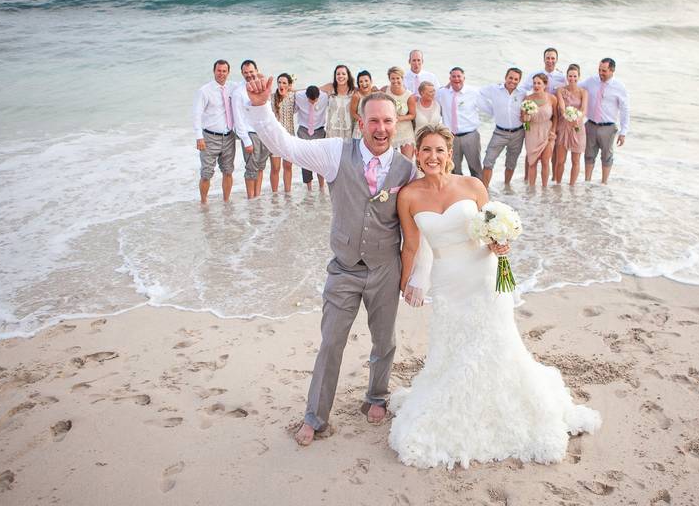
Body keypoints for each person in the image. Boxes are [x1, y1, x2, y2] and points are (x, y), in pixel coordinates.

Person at [388, 124, 602, 469]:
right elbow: (410, 245)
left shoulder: (472, 186)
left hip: (484, 276)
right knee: (452, 348)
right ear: (417, 152)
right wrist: (404, 284)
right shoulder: (409, 195)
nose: (432, 157)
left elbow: (489, 229)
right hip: (447, 283)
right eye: (425, 150)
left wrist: (500, 243)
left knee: (497, 343)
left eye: (439, 150)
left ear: (450, 153)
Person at [243, 80, 415, 447]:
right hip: (344, 268)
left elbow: (431, 213)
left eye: (387, 121)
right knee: (330, 342)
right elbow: (287, 146)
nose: (381, 129)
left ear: (397, 121)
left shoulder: (408, 170)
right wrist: (260, 108)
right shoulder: (336, 152)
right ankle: (315, 416)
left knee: (385, 340)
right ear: (361, 122)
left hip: (386, 269)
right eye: (373, 121)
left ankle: (377, 395)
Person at [579, 58, 629, 184]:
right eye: (599, 70)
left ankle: (604, 183)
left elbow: (625, 109)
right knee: (589, 155)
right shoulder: (591, 81)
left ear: (612, 71)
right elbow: (574, 87)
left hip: (608, 127)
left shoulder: (619, 87)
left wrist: (623, 132)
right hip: (590, 124)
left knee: (606, 156)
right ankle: (587, 182)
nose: (601, 73)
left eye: (604, 71)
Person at [192, 59, 235, 204]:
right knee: (206, 174)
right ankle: (203, 203)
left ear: (228, 72)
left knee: (228, 171)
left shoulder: (233, 87)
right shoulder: (204, 91)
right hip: (209, 137)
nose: (221, 74)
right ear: (214, 71)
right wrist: (199, 137)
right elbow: (197, 114)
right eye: (219, 70)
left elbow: (250, 84)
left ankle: (226, 201)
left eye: (224, 71)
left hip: (229, 137)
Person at [477, 67, 526, 189]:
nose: (512, 81)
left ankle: (506, 187)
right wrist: (490, 110)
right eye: (510, 78)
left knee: (511, 164)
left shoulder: (522, 93)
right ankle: (484, 190)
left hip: (518, 133)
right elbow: (478, 93)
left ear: (519, 81)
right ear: (506, 77)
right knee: (488, 161)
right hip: (499, 132)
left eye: (516, 79)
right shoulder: (495, 89)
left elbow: (537, 97)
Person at [233, 60, 272, 199]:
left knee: (261, 166)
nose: (249, 75)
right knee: (251, 168)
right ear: (242, 73)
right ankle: (251, 198)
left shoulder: (263, 87)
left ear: (256, 70)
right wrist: (246, 140)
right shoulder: (239, 92)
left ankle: (257, 196)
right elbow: (238, 118)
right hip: (250, 134)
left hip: (264, 132)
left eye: (251, 71)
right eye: (245, 72)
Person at [435, 67, 482, 178]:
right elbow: (430, 100)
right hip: (450, 137)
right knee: (454, 169)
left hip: (470, 136)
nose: (456, 79)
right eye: (453, 76)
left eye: (459, 76)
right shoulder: (442, 93)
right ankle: (459, 194)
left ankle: (480, 193)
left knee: (475, 168)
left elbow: (487, 107)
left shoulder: (473, 92)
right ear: (449, 79)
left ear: (464, 78)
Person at [553, 64, 588, 186]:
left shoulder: (583, 92)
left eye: (575, 76)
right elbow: (562, 107)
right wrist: (568, 115)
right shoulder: (560, 90)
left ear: (579, 77)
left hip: (578, 127)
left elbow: (584, 110)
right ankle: (557, 184)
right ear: (567, 76)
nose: (572, 78)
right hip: (564, 126)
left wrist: (576, 118)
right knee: (560, 160)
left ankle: (572, 186)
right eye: (570, 76)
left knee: (576, 160)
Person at [522, 73, 558, 188]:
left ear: (545, 85)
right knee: (532, 163)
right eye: (534, 83)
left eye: (539, 83)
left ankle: (544, 190)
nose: (536, 86)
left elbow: (556, 117)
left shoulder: (552, 98)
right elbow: (524, 121)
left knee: (545, 162)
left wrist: (553, 131)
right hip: (531, 132)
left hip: (547, 132)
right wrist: (526, 120)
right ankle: (531, 190)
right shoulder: (528, 99)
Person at [294, 85, 329, 191]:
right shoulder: (299, 96)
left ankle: (321, 187)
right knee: (305, 160)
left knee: (320, 160)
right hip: (304, 130)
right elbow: (293, 92)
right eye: (310, 100)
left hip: (319, 130)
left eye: (315, 100)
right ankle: (309, 188)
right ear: (306, 96)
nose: (313, 102)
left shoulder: (325, 96)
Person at [270, 72, 298, 193]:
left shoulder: (293, 97)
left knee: (288, 166)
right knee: (275, 168)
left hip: (289, 136)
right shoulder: (272, 97)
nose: (281, 85)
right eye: (279, 82)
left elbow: (306, 92)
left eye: (284, 83)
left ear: (289, 85)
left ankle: (288, 193)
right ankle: (275, 194)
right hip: (275, 137)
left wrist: (292, 90)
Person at [383, 66, 417, 159]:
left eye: (398, 78)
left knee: (407, 162)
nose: (395, 81)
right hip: (389, 131)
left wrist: (399, 118)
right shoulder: (385, 90)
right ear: (389, 79)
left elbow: (413, 115)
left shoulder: (409, 96)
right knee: (389, 161)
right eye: (392, 78)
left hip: (405, 131)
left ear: (402, 78)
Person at [322, 64, 355, 140]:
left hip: (348, 132)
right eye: (338, 74)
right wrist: (291, 89)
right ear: (335, 76)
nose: (340, 76)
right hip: (332, 132)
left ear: (348, 76)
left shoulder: (353, 90)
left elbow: (367, 93)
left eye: (343, 74)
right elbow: (312, 89)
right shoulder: (330, 87)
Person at [349, 70, 378, 140]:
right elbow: (353, 113)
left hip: (373, 125)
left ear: (371, 81)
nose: (364, 83)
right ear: (358, 84)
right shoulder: (357, 96)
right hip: (360, 126)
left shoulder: (375, 94)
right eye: (361, 82)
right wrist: (363, 121)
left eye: (366, 80)